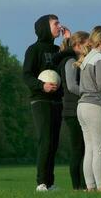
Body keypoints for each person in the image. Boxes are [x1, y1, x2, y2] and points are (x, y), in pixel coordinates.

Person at [23, 14, 71, 191]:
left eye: (59, 22)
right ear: (44, 27)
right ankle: (41, 182)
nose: (59, 26)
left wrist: (68, 41)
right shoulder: (33, 50)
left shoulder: (58, 49)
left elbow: (70, 58)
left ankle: (50, 183)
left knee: (54, 142)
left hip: (57, 101)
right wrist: (42, 86)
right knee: (45, 139)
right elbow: (26, 75)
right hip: (40, 100)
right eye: (55, 23)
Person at [76, 26, 101, 191]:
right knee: (100, 150)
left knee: (89, 148)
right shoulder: (99, 58)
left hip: (82, 106)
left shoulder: (87, 58)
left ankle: (90, 187)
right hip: (95, 106)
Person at [58, 31, 89, 190]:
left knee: (82, 149)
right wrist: (89, 92)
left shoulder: (73, 59)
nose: (89, 46)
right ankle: (77, 186)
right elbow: (71, 86)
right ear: (77, 45)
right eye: (86, 44)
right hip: (72, 110)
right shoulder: (70, 60)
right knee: (78, 149)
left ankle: (82, 185)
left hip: (74, 109)